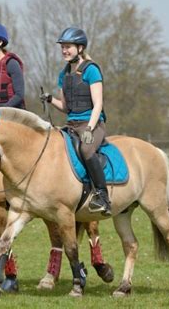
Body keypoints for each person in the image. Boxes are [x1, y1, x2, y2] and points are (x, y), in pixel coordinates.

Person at [40, 27, 111, 216]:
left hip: (92, 124)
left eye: (68, 47)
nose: (64, 50)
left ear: (80, 48)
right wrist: (49, 99)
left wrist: (89, 128)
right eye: (62, 47)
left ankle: (103, 196)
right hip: (71, 125)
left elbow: (98, 104)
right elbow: (65, 107)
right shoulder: (64, 74)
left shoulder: (91, 70)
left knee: (87, 149)